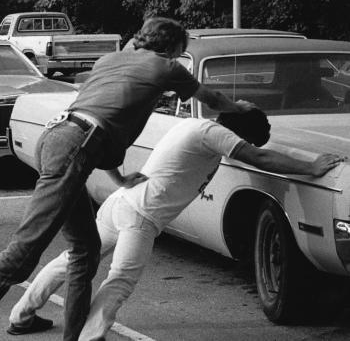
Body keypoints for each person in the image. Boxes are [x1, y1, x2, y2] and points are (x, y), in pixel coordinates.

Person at [0, 17, 257, 341]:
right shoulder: (166, 67)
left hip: (61, 137)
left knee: (85, 251)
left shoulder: (111, 60)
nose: (178, 57)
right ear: (173, 47)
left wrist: (118, 179)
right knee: (23, 253)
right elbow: (213, 101)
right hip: (74, 147)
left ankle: (76, 336)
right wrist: (239, 106)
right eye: (180, 50)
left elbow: (96, 126)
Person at [6, 109, 341, 340]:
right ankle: (90, 336)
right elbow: (260, 158)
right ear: (238, 132)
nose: (250, 145)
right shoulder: (213, 134)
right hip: (141, 216)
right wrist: (311, 167)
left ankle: (21, 316)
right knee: (120, 280)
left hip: (123, 202)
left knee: (72, 261)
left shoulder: (195, 126)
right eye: (251, 136)